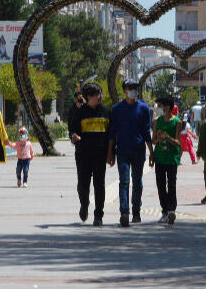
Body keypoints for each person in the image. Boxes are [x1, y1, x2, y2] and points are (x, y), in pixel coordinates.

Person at [107, 80, 154, 228]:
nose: (133, 90)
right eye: (130, 88)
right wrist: (110, 153)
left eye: (135, 88)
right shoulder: (117, 109)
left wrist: (152, 152)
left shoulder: (144, 108)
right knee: (124, 181)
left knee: (137, 181)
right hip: (122, 150)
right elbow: (112, 133)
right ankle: (124, 212)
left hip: (139, 150)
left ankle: (136, 212)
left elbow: (147, 132)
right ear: (124, 91)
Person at [69, 83, 110, 226]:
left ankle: (98, 215)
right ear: (88, 97)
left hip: (100, 155)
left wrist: (111, 153)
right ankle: (84, 204)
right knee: (83, 185)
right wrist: (74, 137)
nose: (100, 97)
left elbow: (110, 135)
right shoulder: (80, 113)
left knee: (100, 185)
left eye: (101, 93)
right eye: (97, 94)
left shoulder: (105, 111)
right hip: (83, 154)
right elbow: (72, 131)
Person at [152, 97, 182, 225]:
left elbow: (177, 142)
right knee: (160, 185)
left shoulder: (177, 122)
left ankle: (171, 210)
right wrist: (158, 139)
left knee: (172, 184)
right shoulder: (156, 121)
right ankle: (164, 211)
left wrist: (167, 137)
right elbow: (153, 140)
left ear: (168, 107)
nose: (158, 108)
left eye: (160, 106)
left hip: (172, 158)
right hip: (159, 158)